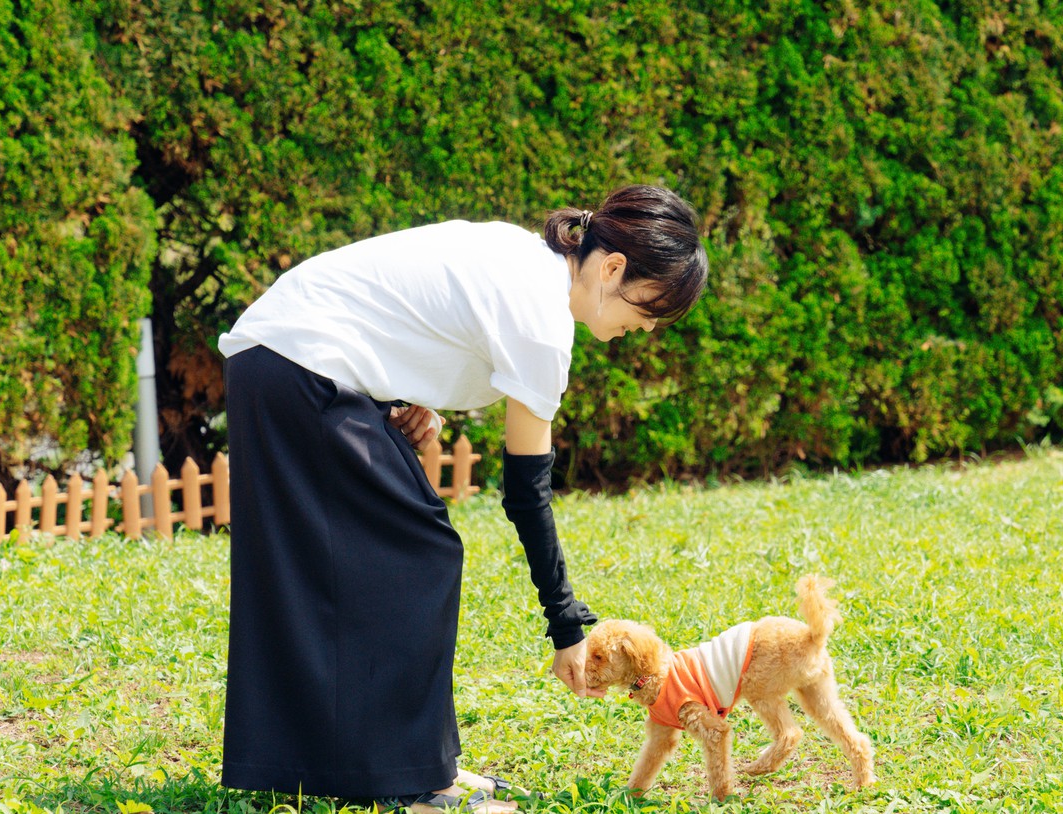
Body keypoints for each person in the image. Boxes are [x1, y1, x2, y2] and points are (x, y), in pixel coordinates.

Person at [215, 184, 708, 812]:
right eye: (651, 308)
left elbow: (398, 313)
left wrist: (396, 400)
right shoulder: (543, 321)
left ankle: (413, 763)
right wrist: (566, 623)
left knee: (383, 556)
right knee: (417, 553)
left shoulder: (523, 258)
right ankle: (420, 782)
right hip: (296, 367)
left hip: (287, 362)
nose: (646, 327)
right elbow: (526, 493)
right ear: (613, 268)